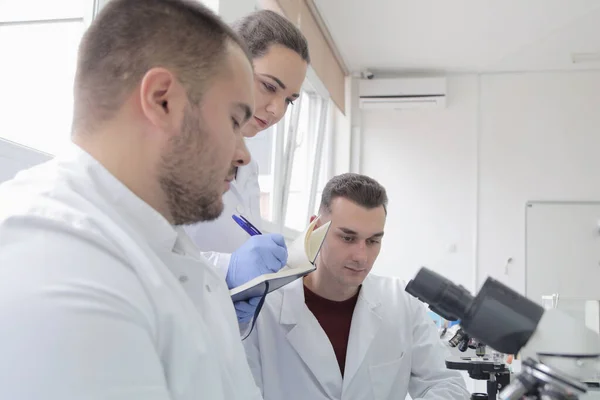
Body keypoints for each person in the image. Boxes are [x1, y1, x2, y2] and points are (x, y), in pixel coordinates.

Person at [0, 0, 262, 399]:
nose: (244, 154)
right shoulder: (58, 261)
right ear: (163, 100)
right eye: (234, 121)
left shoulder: (158, 244)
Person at [242, 173, 470, 400]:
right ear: (315, 228)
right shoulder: (263, 310)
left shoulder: (402, 302)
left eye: (373, 241)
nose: (361, 256)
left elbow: (445, 385)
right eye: (348, 238)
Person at [184, 9, 310, 323]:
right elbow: (149, 255)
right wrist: (228, 270)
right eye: (269, 86)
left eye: (290, 100)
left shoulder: (248, 166)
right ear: (230, 65)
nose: (277, 109)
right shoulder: (178, 149)